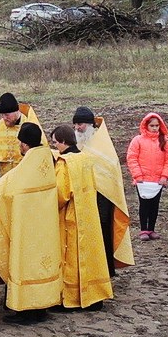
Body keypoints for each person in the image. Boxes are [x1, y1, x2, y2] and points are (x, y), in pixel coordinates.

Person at [0, 123, 61, 324]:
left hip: (27, 230)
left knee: (26, 265)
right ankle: (42, 307)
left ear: (23, 144)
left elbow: (9, 190)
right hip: (44, 229)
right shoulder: (45, 158)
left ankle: (27, 311)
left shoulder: (29, 164)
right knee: (42, 265)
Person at [51, 124, 114, 310]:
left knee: (71, 259)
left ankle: (71, 299)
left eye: (55, 143)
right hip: (89, 215)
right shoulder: (87, 158)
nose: (55, 147)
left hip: (71, 217)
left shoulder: (64, 163)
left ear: (63, 141)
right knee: (91, 257)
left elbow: (61, 194)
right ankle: (95, 297)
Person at [69, 106, 135, 272]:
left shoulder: (102, 144)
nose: (77, 128)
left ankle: (106, 267)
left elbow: (110, 170)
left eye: (81, 124)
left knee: (103, 229)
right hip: (83, 194)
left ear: (90, 125)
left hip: (104, 196)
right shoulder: (78, 143)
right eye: (75, 124)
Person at [125, 113, 168, 241]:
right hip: (142, 180)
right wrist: (138, 175)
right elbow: (132, 158)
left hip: (158, 180)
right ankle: (143, 229)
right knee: (144, 205)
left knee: (154, 205)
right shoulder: (138, 140)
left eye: (157, 125)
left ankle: (151, 228)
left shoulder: (165, 141)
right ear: (146, 125)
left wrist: (165, 176)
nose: (155, 128)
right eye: (152, 125)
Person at [0, 92, 39, 182]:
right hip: (3, 181)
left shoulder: (30, 126)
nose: (4, 118)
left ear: (17, 111)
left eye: (7, 115)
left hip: (25, 179)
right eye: (2, 115)